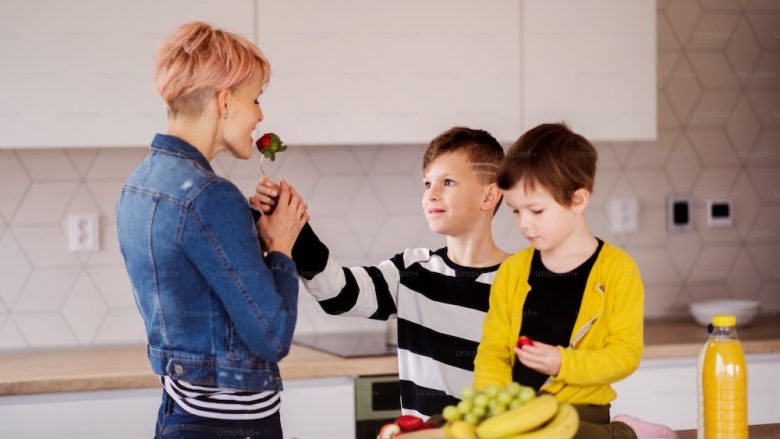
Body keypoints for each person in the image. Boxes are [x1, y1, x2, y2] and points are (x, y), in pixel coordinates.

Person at [116, 22, 308, 439]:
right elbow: (272, 337)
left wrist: (248, 236)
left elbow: (195, 284)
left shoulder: (139, 185)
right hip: (230, 426)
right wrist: (280, 247)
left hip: (176, 415)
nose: (260, 115)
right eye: (255, 99)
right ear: (224, 102)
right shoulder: (210, 195)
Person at [252, 127, 509, 419]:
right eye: (427, 184)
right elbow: (339, 294)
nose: (431, 195)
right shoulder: (411, 271)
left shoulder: (517, 282)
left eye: (448, 182)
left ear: (489, 196)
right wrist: (295, 228)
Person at [473, 123, 676, 439]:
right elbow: (493, 351)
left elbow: (625, 355)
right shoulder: (513, 271)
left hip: (581, 411)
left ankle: (627, 433)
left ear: (578, 200)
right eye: (515, 211)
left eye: (537, 210)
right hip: (518, 409)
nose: (524, 224)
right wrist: (493, 402)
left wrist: (561, 363)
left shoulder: (618, 270)